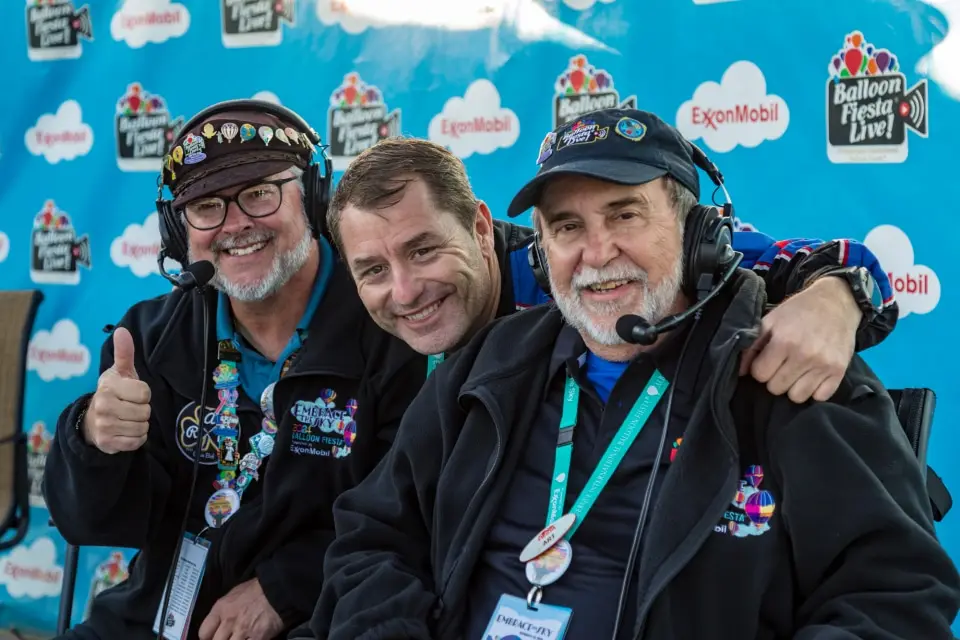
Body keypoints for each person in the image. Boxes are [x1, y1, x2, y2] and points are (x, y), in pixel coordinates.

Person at [308, 108, 960, 640]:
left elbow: (893, 594)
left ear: (695, 233)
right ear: (540, 249)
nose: (597, 252)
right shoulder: (490, 364)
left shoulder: (789, 373)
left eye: (624, 214)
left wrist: (837, 292)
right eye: (568, 226)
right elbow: (371, 538)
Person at [42, 100, 422, 640]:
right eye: (206, 206)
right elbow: (94, 524)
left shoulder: (389, 323)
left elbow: (410, 515)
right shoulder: (148, 338)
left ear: (313, 197)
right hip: (160, 615)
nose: (236, 224)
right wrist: (94, 441)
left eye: (260, 193)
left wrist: (286, 586)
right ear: (180, 232)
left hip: (326, 611)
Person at [322, 136, 896, 405]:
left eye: (424, 251)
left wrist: (834, 298)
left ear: (479, 229)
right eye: (373, 270)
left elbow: (848, 262)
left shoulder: (567, 269)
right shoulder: (375, 320)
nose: (404, 291)